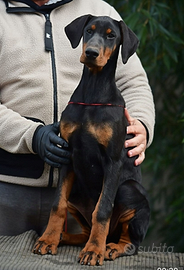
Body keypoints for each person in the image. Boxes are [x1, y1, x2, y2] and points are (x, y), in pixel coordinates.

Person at [0, 0, 155, 236]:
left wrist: (141, 125)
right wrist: (31, 135)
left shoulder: (99, 10)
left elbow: (133, 83)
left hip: (86, 200)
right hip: (9, 192)